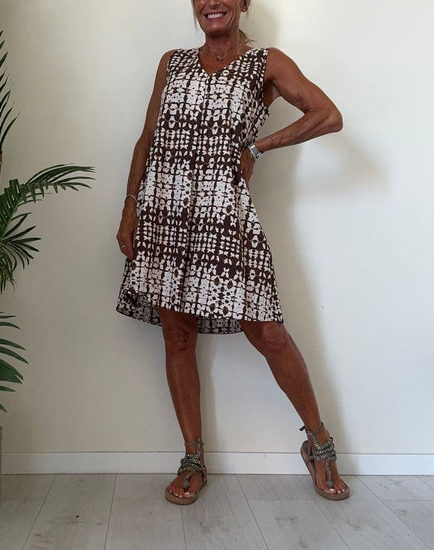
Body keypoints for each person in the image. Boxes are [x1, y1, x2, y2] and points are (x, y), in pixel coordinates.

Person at [115, 0, 350, 504]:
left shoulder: (266, 63)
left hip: (224, 214)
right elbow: (147, 138)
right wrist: (130, 206)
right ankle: (193, 457)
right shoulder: (172, 62)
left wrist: (258, 147)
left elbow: (328, 115)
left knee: (268, 333)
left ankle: (319, 443)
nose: (212, 3)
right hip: (164, 210)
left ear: (243, 3)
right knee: (177, 336)